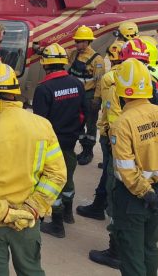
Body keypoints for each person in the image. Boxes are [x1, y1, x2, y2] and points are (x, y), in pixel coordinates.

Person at [0, 61, 67, 276]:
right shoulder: (41, 125)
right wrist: (29, 209)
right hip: (27, 222)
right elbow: (57, 175)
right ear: (15, 92)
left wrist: (4, 213)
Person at [109, 58, 158, 275]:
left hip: (133, 198)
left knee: (131, 253)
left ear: (121, 91)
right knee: (149, 247)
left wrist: (148, 194)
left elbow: (126, 168)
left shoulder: (122, 123)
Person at [33, 43, 86, 238]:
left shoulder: (43, 89)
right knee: (67, 178)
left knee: (50, 181)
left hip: (51, 145)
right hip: (70, 141)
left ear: (45, 64)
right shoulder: (77, 84)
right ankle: (68, 214)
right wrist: (74, 131)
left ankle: (56, 224)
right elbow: (84, 113)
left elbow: (40, 123)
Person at [78, 41, 124, 222]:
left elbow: (111, 111)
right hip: (120, 134)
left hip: (113, 135)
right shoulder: (140, 76)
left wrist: (110, 135)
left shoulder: (110, 77)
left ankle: (101, 207)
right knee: (109, 172)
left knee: (110, 173)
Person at [67, 25, 105, 166]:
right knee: (78, 123)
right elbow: (62, 55)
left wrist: (96, 99)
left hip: (89, 97)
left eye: (80, 41)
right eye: (76, 41)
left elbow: (100, 81)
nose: (77, 44)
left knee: (90, 125)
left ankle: (89, 151)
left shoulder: (97, 60)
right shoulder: (74, 54)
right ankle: (83, 147)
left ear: (88, 42)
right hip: (76, 95)